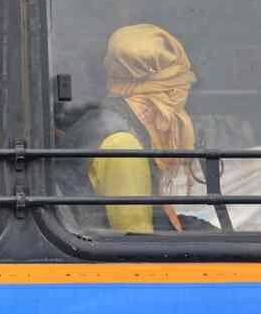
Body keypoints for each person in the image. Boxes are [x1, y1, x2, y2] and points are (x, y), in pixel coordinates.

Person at [57, 24, 199, 234]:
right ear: (167, 93)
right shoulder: (123, 145)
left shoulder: (100, 121)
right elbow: (137, 240)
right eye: (177, 89)